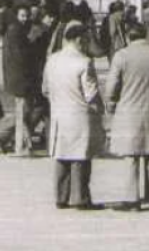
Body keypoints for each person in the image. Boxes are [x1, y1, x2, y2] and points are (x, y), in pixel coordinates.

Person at [42, 22, 105, 210]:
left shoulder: (52, 60)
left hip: (59, 114)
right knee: (80, 157)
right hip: (79, 115)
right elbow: (91, 94)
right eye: (85, 40)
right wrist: (100, 110)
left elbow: (45, 89)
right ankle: (80, 198)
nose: (87, 44)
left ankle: (61, 197)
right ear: (78, 40)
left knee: (61, 155)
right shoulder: (84, 62)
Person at [104, 24, 149, 211]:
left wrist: (110, 102)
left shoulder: (122, 56)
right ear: (145, 35)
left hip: (129, 111)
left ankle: (132, 199)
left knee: (131, 157)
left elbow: (112, 84)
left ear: (128, 36)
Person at [2, 4, 35, 155]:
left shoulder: (15, 30)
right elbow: (20, 56)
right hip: (19, 76)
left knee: (23, 111)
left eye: (27, 15)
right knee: (22, 112)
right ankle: (20, 146)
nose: (25, 18)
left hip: (16, 76)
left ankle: (20, 143)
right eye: (22, 15)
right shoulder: (16, 31)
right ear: (16, 16)